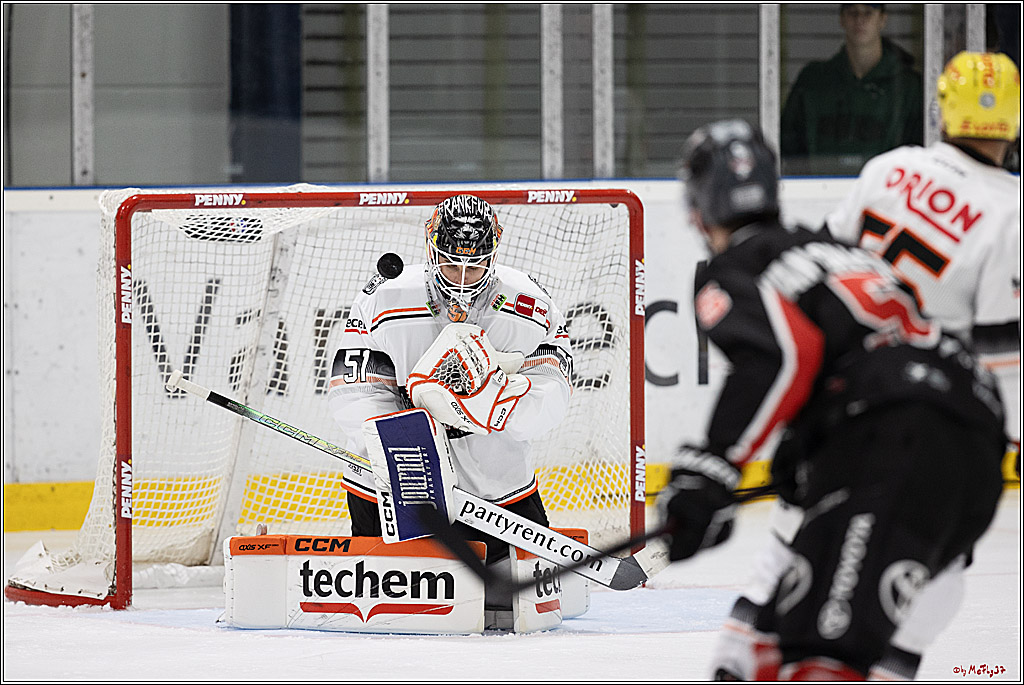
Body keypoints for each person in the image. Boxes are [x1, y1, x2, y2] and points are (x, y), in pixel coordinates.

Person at [707, 52, 1022, 681]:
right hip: (925, 417)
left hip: (841, 399)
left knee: (790, 552)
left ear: (941, 108)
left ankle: (740, 660)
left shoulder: (891, 168)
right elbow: (1000, 356)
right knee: (933, 571)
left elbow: (820, 269)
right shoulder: (1012, 209)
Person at [326, 194, 574, 622]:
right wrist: (402, 433)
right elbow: (350, 382)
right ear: (430, 247)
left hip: (494, 472)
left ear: (493, 254)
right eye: (450, 263)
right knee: (391, 610)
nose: (461, 278)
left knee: (522, 611)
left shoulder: (529, 304)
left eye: (474, 265)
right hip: (397, 471)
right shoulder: (386, 296)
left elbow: (555, 384)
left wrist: (500, 406)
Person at [780, 4, 923, 175]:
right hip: (819, 192)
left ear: (883, 19)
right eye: (852, 12)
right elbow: (788, 146)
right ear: (842, 19)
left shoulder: (908, 86)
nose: (859, 20)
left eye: (868, 13)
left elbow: (919, 153)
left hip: (886, 194)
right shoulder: (813, 81)